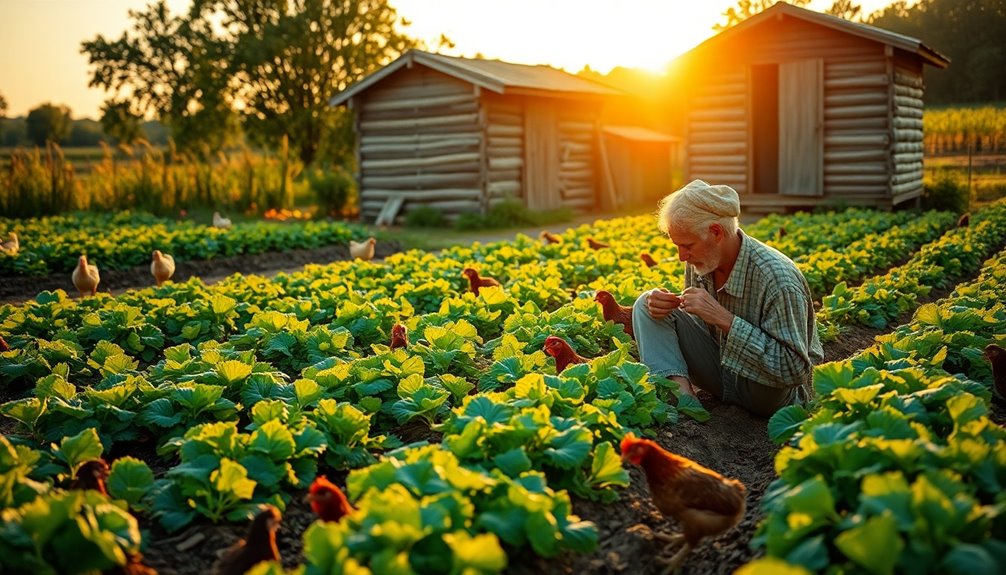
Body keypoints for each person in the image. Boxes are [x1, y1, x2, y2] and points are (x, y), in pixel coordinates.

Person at [632, 179, 823, 417]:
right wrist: (670, 305)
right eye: (677, 246)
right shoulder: (700, 262)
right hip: (723, 373)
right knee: (646, 304)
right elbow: (701, 333)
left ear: (716, 232)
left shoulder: (778, 280)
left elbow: (794, 371)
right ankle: (683, 401)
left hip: (771, 396)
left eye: (687, 245)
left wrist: (724, 319)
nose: (681, 257)